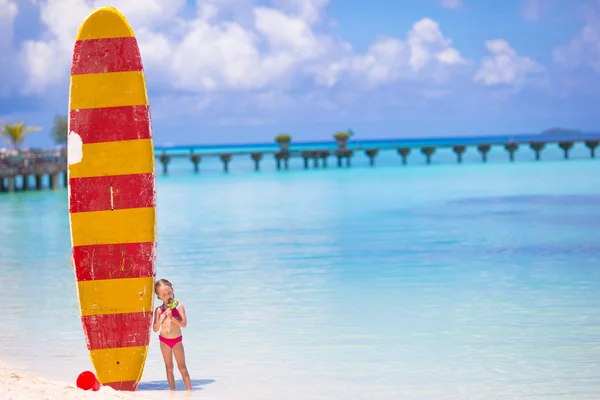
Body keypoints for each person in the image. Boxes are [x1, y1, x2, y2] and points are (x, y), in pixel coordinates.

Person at [153, 279, 192, 391]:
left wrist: (172, 318)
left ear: (173, 290)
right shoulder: (159, 310)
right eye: (164, 294)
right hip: (164, 341)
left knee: (182, 367)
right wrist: (160, 319)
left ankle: (189, 393)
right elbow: (155, 329)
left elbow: (184, 324)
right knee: (169, 368)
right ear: (159, 296)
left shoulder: (179, 306)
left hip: (177, 341)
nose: (167, 296)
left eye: (169, 293)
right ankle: (172, 392)